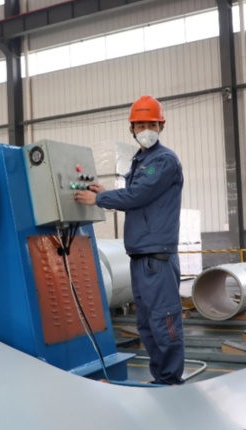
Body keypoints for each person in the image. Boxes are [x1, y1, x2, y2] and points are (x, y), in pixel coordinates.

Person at [75, 95, 185, 385]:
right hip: (140, 255)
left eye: (151, 124)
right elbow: (136, 194)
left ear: (161, 126)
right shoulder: (141, 160)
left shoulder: (163, 159)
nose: (145, 129)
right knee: (147, 324)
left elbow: (138, 196)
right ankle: (160, 377)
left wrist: (98, 197)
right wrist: (105, 191)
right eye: (140, 125)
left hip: (157, 258)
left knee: (164, 321)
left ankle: (171, 380)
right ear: (132, 129)